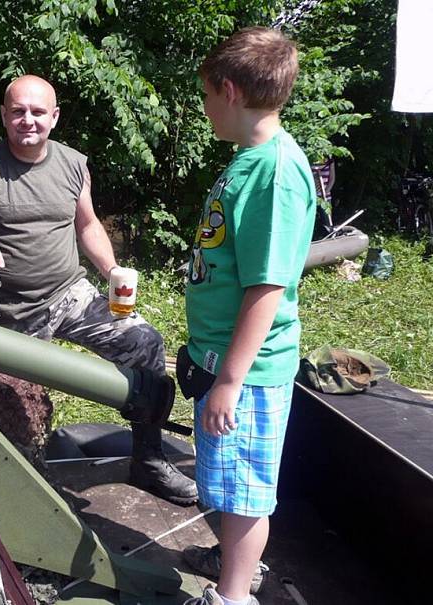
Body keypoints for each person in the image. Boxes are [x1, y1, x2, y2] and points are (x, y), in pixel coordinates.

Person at [0, 74, 197, 505]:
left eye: (38, 112)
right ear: (4, 115)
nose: (28, 120)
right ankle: (35, 498)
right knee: (18, 411)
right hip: (12, 313)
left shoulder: (73, 163)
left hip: (71, 294)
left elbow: (87, 223)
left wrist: (110, 268)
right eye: (18, 111)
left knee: (145, 344)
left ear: (54, 117)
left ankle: (147, 460)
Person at [179, 28, 316, 605]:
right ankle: (234, 556)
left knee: (245, 494)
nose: (205, 107)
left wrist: (230, 381)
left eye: (207, 95)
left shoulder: (275, 173)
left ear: (229, 91)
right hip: (226, 361)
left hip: (251, 375)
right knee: (229, 481)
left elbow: (267, 287)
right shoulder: (251, 160)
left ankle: (233, 594)